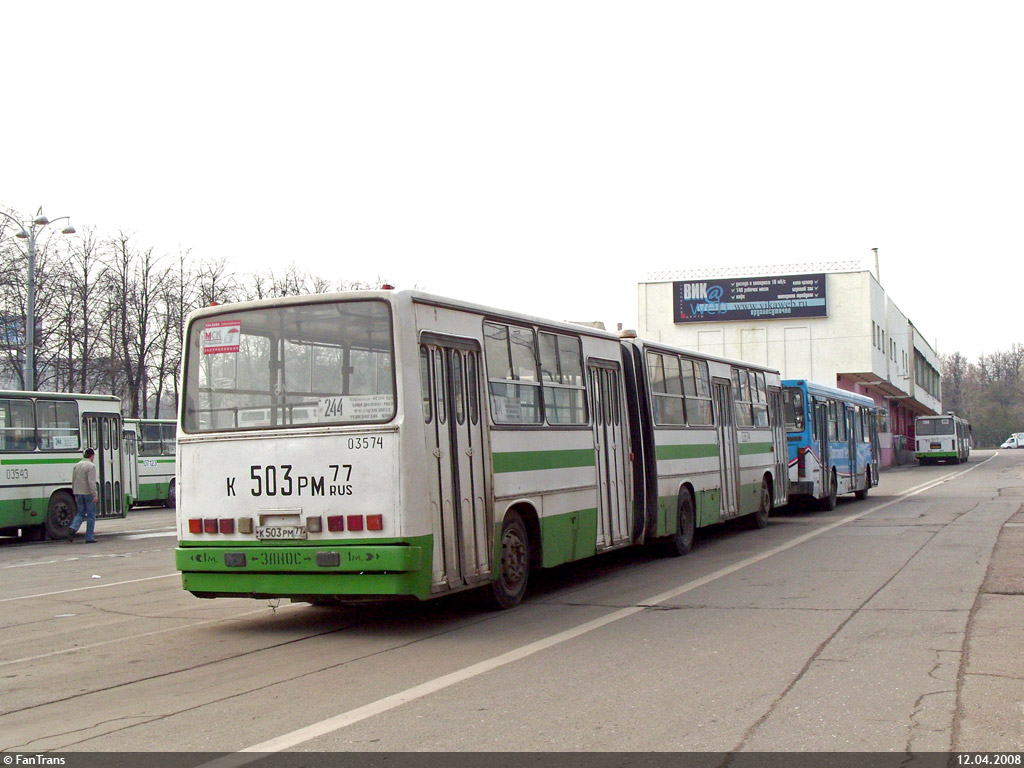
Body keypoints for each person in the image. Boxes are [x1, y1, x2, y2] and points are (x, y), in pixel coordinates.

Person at [68, 448, 100, 543]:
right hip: (88, 493)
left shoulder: (77, 465)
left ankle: (73, 528)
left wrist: (74, 493)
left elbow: (73, 480)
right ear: (92, 455)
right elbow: (91, 482)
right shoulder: (91, 466)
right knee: (91, 515)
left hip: (78, 492)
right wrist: (95, 494)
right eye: (94, 456)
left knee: (80, 513)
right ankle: (89, 537)